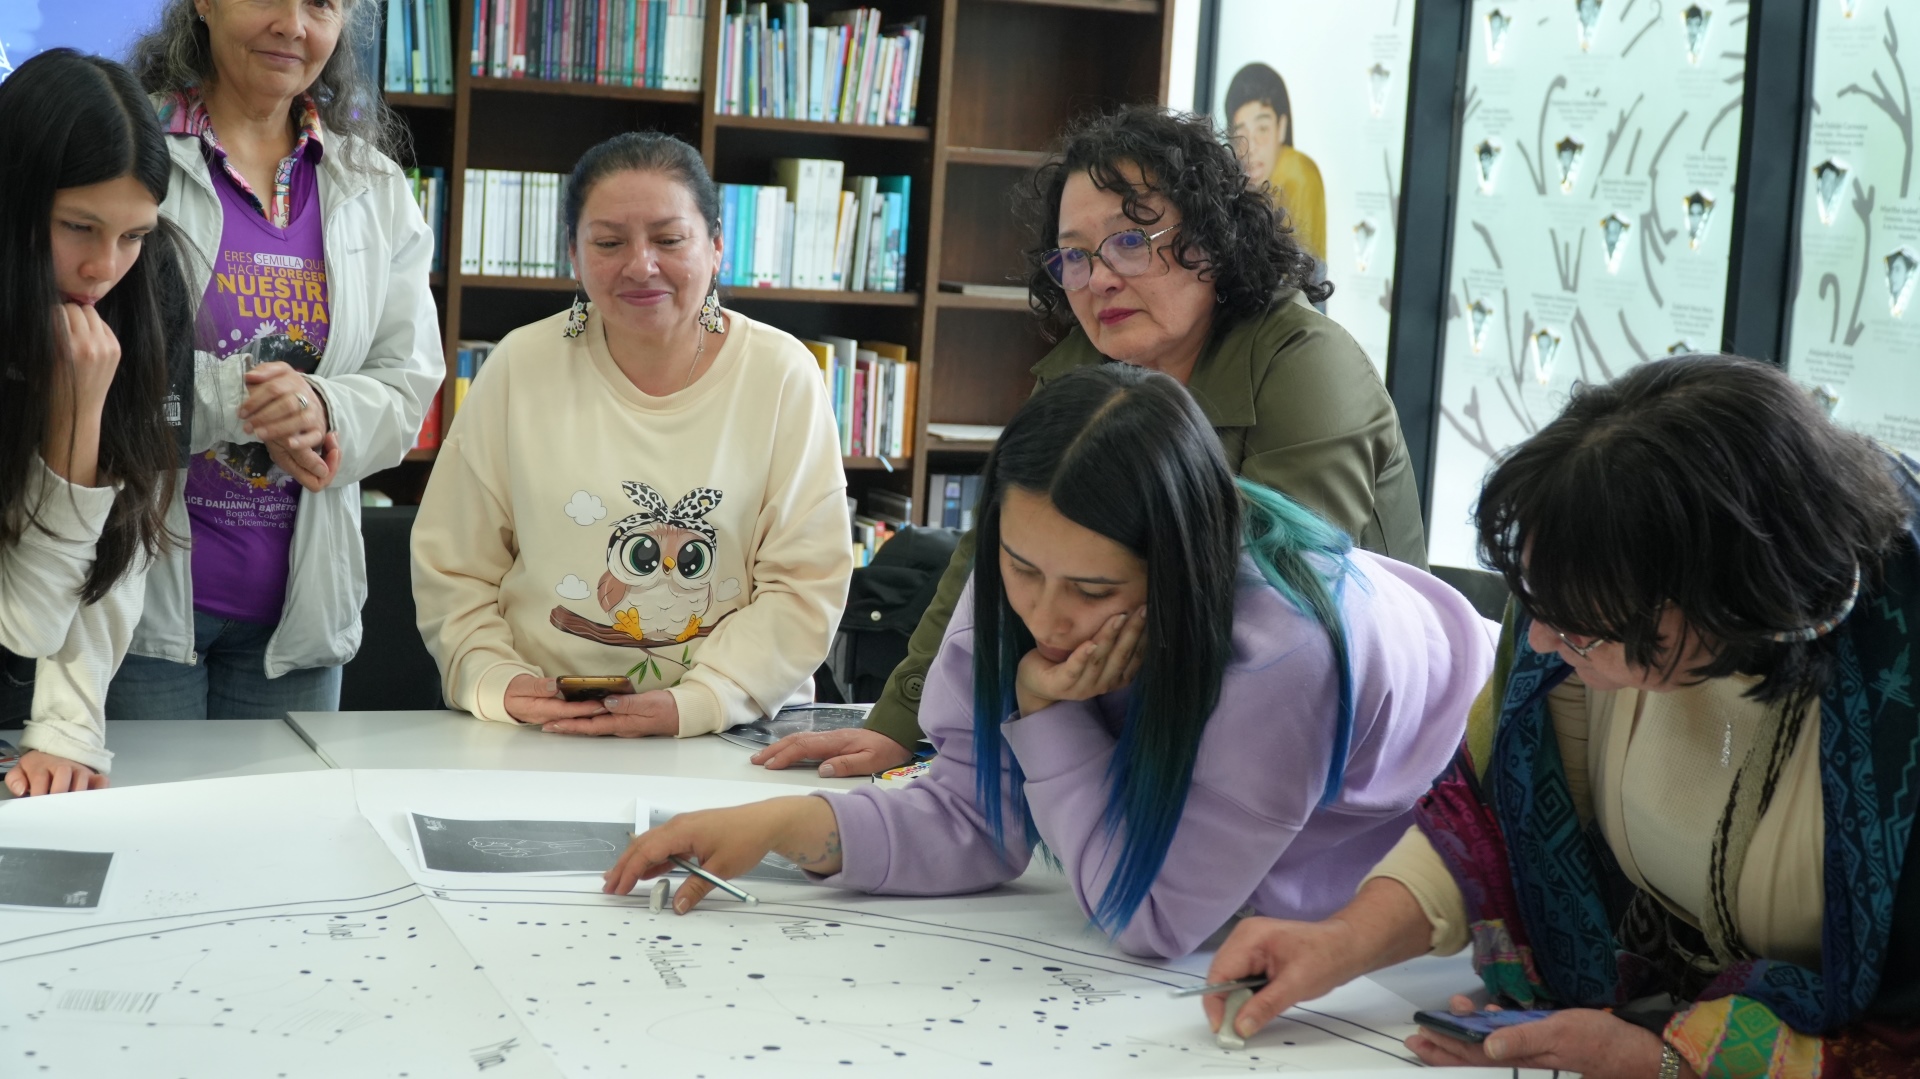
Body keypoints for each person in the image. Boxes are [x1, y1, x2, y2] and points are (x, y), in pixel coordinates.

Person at [605, 364, 1490, 960]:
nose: (1046, 615)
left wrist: (1046, 711)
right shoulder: (1022, 581)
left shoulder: (1284, 653)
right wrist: (780, 827)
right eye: (1020, 568)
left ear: (1179, 567)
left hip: (1466, 813)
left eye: (1096, 590)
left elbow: (1156, 915)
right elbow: (974, 816)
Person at [1202, 356, 1920, 1076]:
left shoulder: (1895, 701)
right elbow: (1490, 817)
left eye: (1580, 630)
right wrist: (1340, 941)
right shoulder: (1579, 598)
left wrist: (1663, 1061)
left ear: (1733, 604)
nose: (1542, 642)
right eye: (1535, 608)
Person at [756, 104, 1426, 778]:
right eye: (1075, 256)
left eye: (1130, 241)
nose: (1100, 276)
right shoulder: (1085, 369)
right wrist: (898, 724)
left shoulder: (1310, 365)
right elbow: (990, 554)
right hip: (1150, 713)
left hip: (1340, 742)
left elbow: (1275, 605)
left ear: (1213, 239)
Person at [411, 132, 853, 737]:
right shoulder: (521, 365)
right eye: (609, 242)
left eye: (669, 240)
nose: (641, 265)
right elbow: (454, 566)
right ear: (574, 254)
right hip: (538, 728)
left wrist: (699, 701)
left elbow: (805, 586)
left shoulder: (782, 374)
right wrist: (497, 681)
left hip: (730, 728)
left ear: (717, 245)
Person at [107, 0, 443, 719]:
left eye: (321, 4)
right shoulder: (129, 153)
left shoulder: (375, 188)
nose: (293, 24)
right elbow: (93, 370)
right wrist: (241, 397)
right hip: (138, 607)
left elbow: (408, 385)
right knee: (154, 833)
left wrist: (324, 406)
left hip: (297, 621)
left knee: (280, 833)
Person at [0, 50, 192, 795]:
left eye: (134, 233)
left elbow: (123, 531)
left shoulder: (149, 287)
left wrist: (65, 728)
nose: (103, 267)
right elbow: (22, 619)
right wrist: (74, 410)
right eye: (78, 226)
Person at [1225, 63, 1325, 262]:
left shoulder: (1299, 173)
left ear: (1281, 127)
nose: (1250, 147)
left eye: (1262, 129)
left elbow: (1306, 271)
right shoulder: (1230, 181)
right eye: (1241, 133)